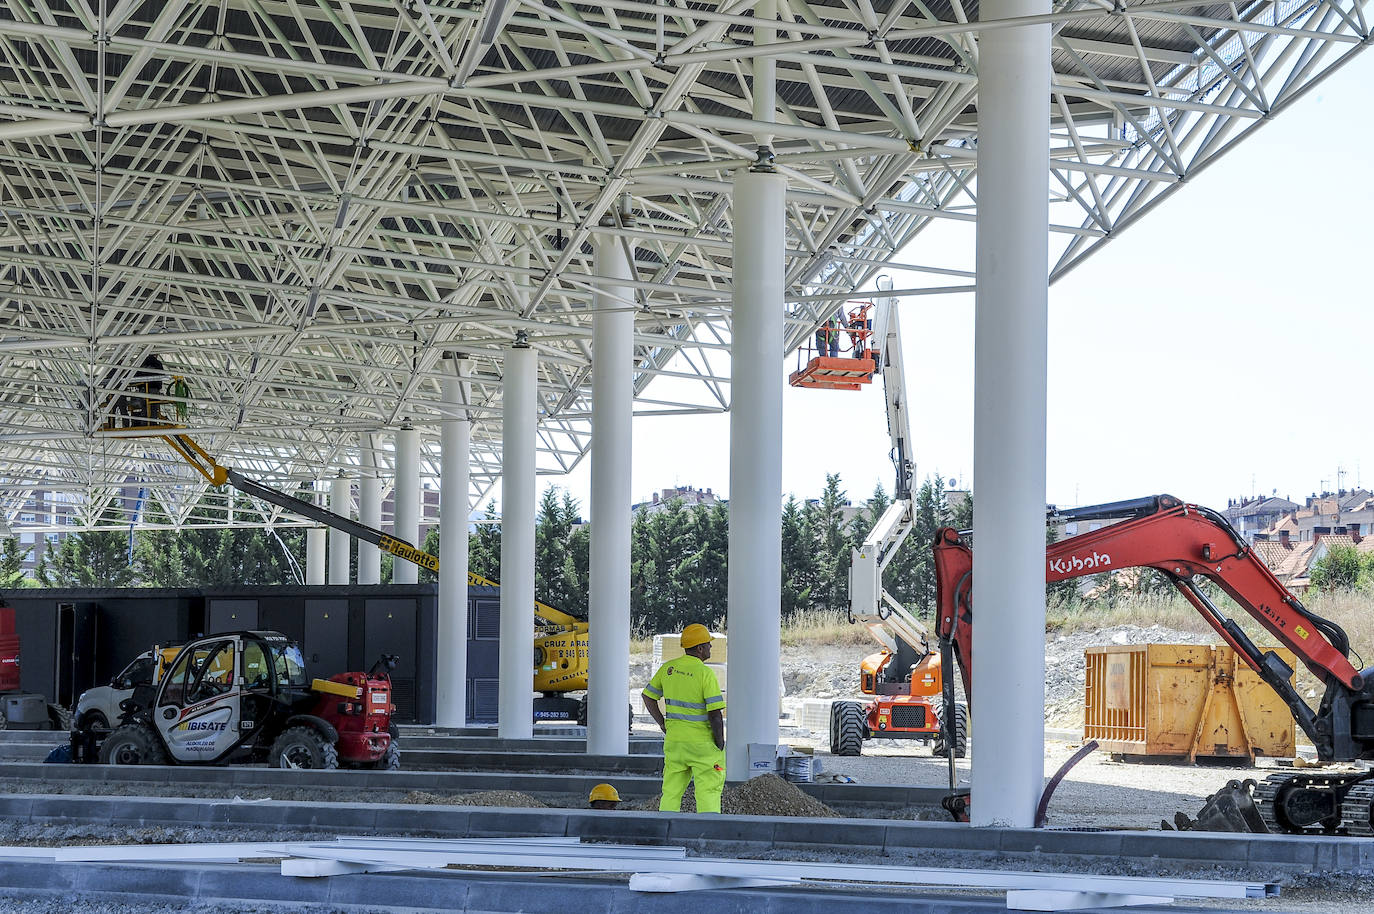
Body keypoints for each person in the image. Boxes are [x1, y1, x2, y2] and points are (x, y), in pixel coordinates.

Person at [641, 624, 727, 813]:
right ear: (700, 648)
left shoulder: (669, 668)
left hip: (675, 743)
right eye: (708, 644)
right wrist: (719, 743)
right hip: (702, 746)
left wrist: (662, 723)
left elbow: (648, 696)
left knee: (671, 792)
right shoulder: (705, 674)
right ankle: (707, 831)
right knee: (708, 790)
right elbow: (715, 714)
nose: (710, 648)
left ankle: (666, 831)